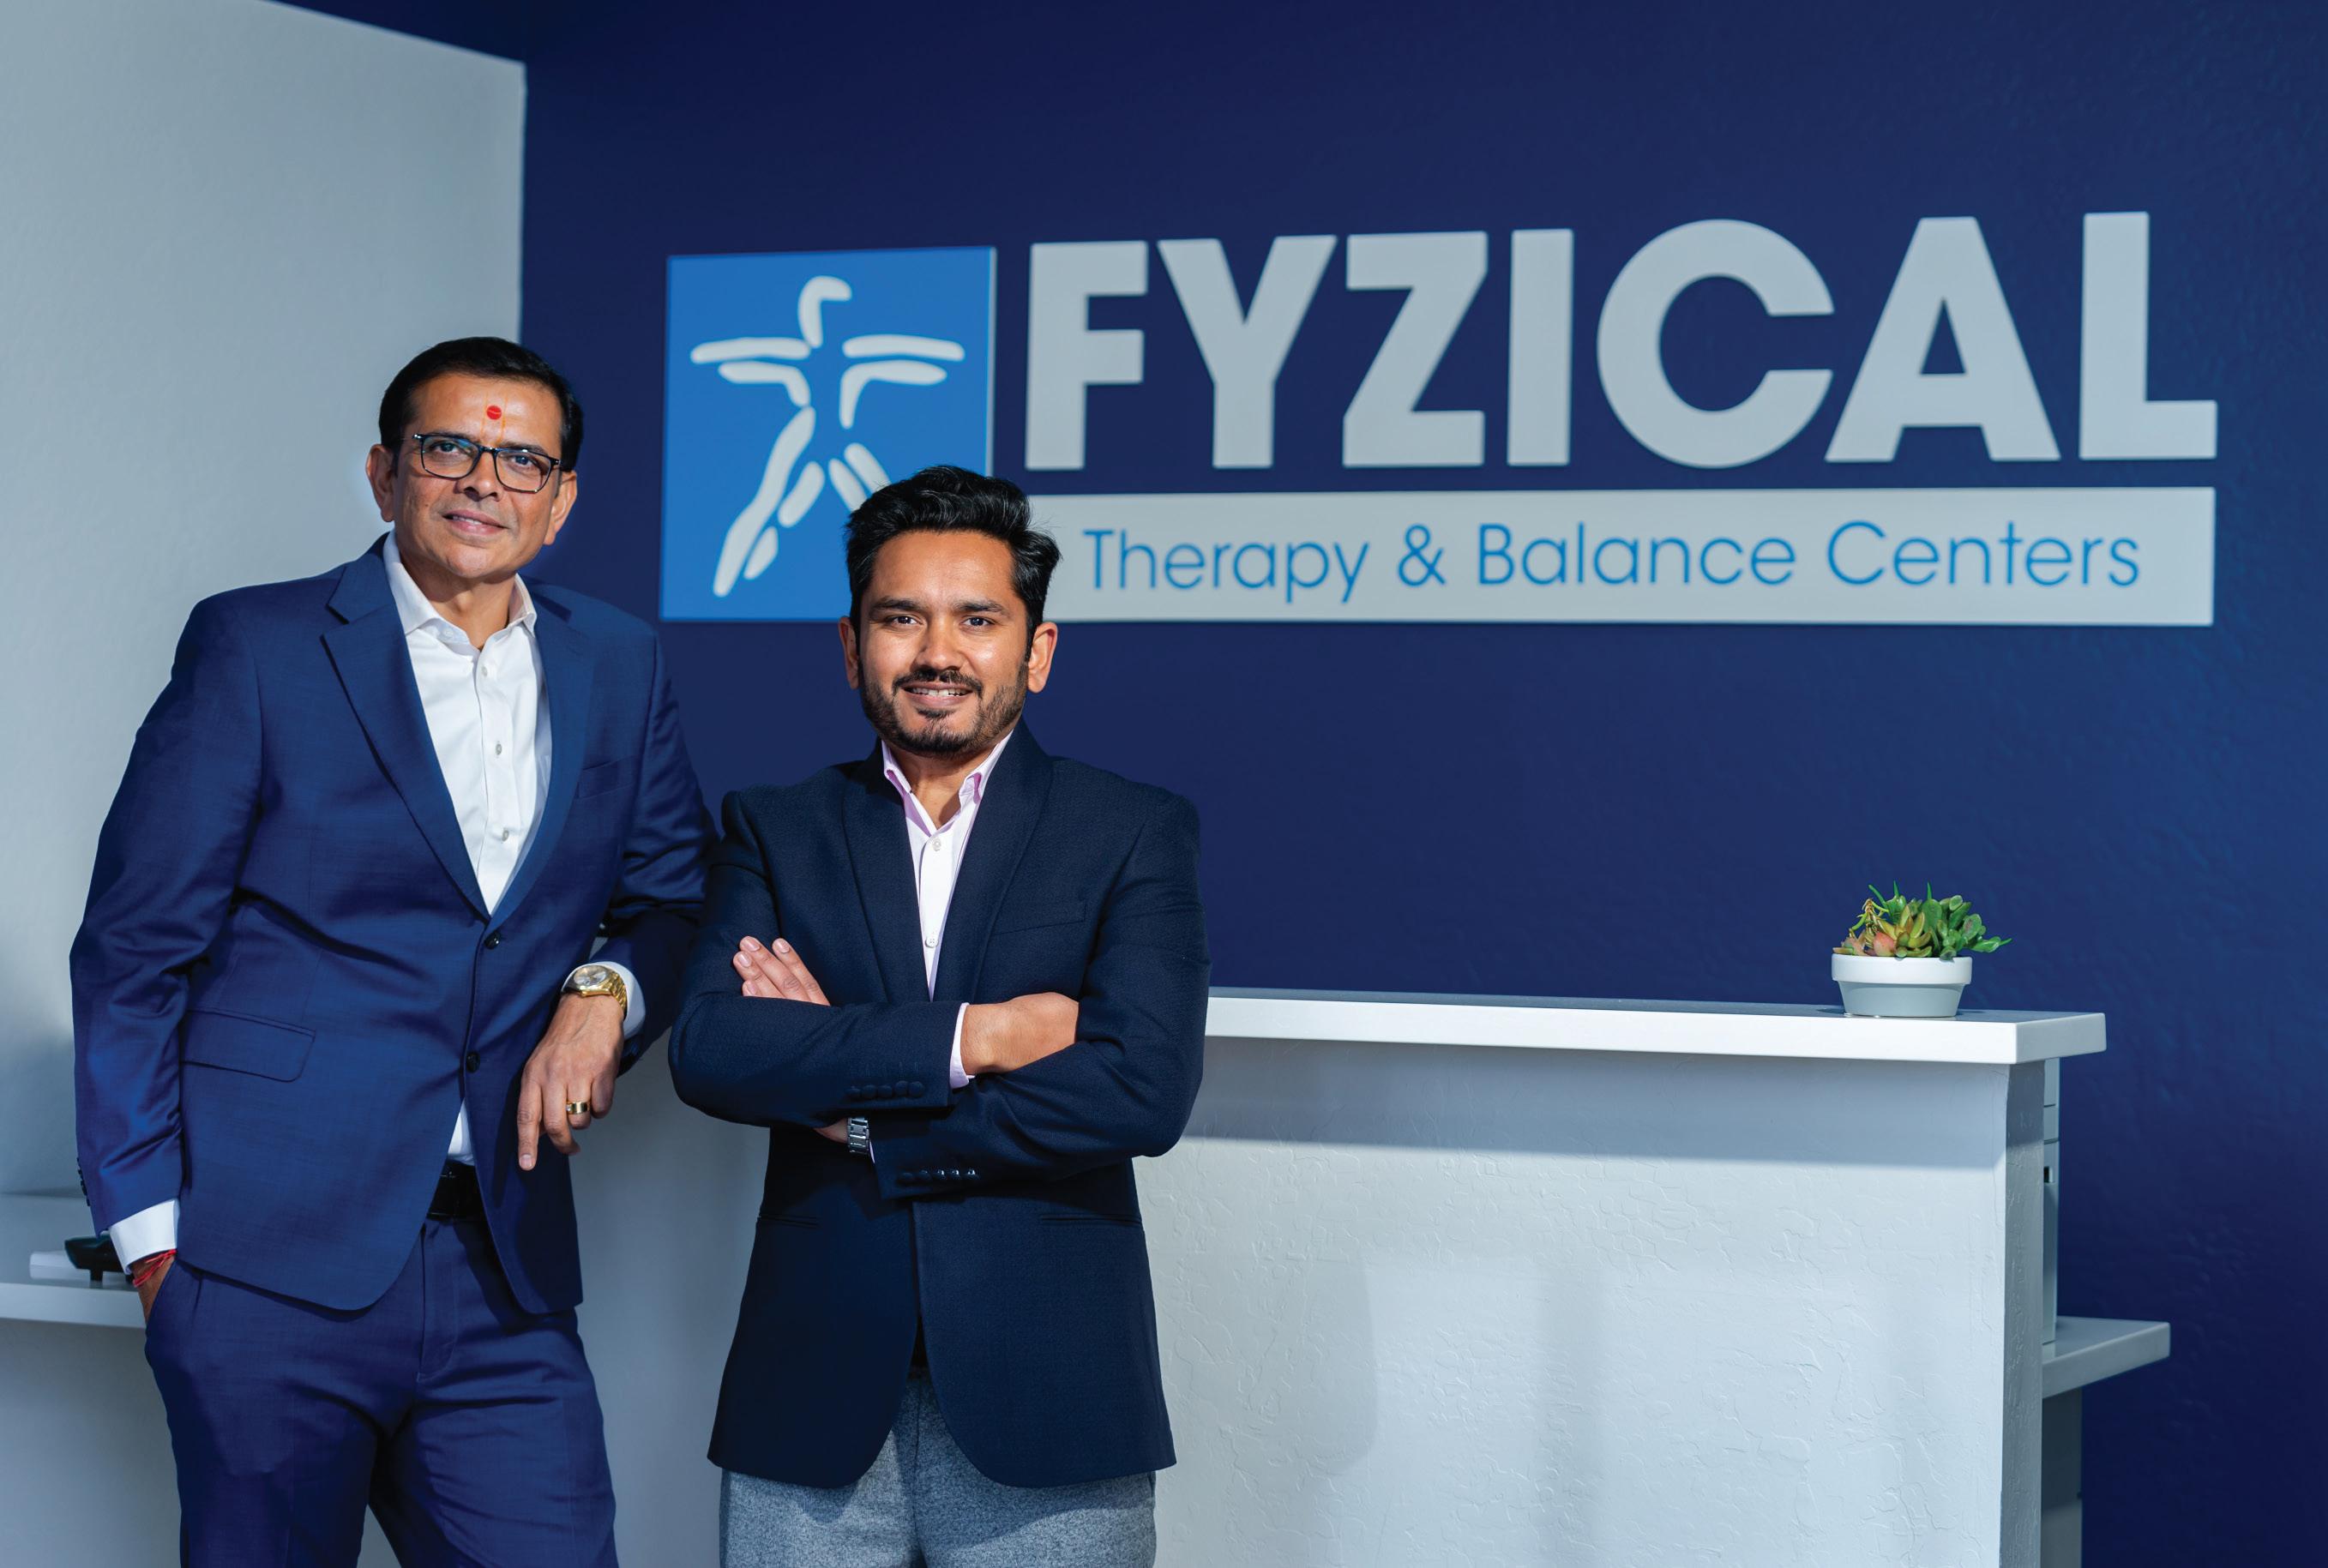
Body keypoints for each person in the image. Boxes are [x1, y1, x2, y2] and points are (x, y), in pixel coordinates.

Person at [71, 337, 712, 1565]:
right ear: (384, 473)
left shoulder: (618, 661)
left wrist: (603, 989)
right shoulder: (257, 644)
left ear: (562, 500)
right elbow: (133, 951)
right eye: (447, 448)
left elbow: (673, 897)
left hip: (501, 1264)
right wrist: (156, 1246)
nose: (484, 481)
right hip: (261, 1265)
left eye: (522, 462)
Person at [668, 466, 1209, 1566]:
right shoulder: (776, 827)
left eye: (977, 619)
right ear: (851, 643)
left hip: (1051, 1393)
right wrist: (981, 1036)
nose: (936, 652)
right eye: (901, 617)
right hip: (809, 1391)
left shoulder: (1132, 829)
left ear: (1037, 650)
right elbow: (716, 1048)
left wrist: (864, 1116)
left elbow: (1140, 1090)